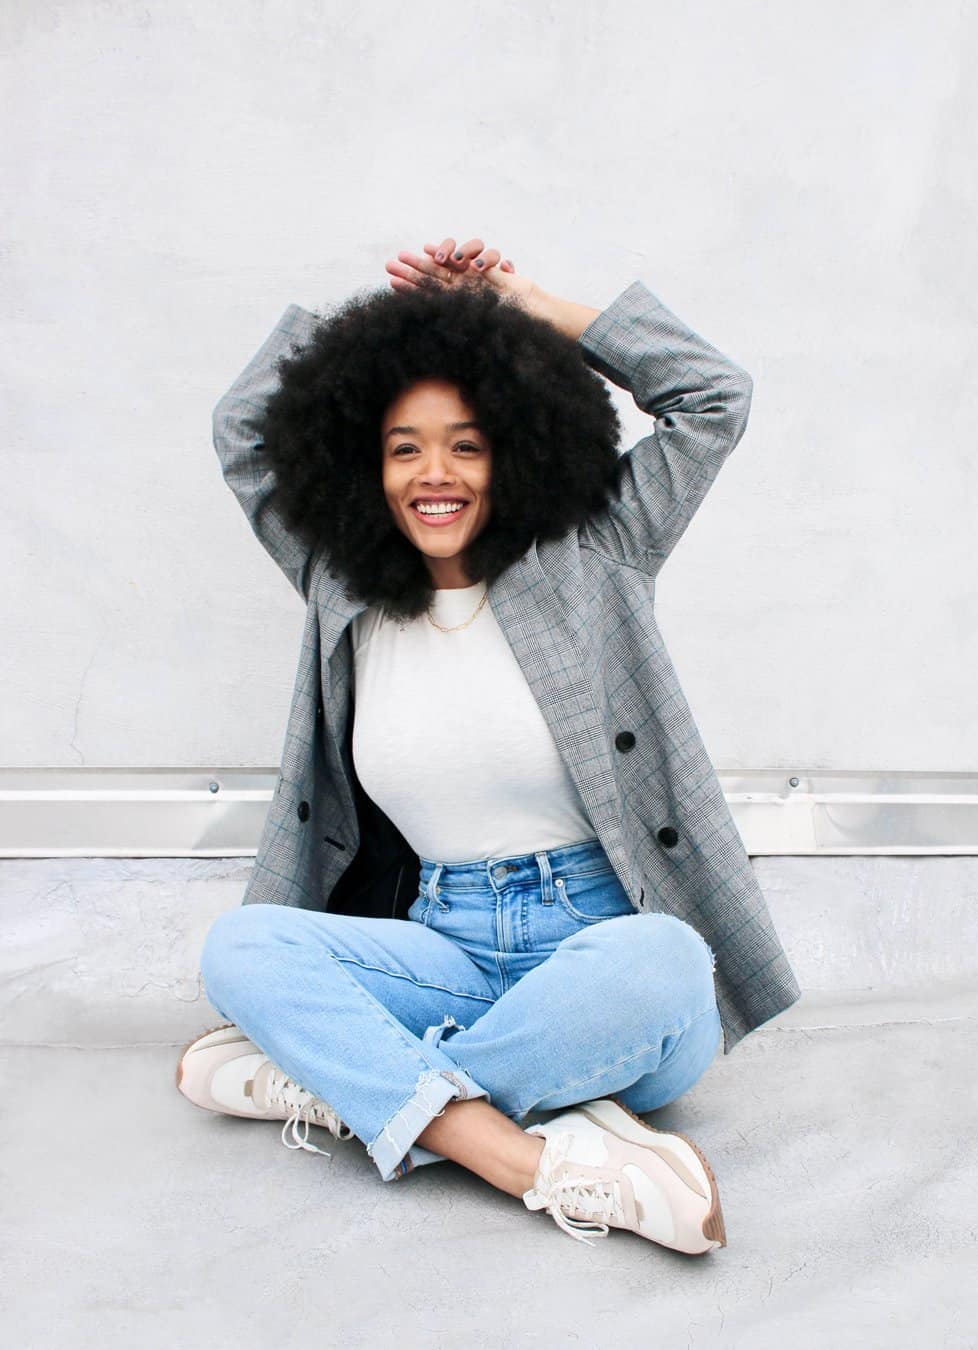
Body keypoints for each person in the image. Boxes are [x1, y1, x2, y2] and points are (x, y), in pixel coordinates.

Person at [177, 235, 801, 1255]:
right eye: (404, 446)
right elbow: (244, 429)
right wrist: (373, 340)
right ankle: (527, 1153)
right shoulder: (338, 576)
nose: (436, 473)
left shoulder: (595, 549)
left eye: (467, 444)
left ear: (513, 451)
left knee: (668, 962)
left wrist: (524, 304)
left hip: (601, 933)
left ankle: (358, 1086)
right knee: (242, 945)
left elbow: (712, 398)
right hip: (446, 943)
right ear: (365, 464)